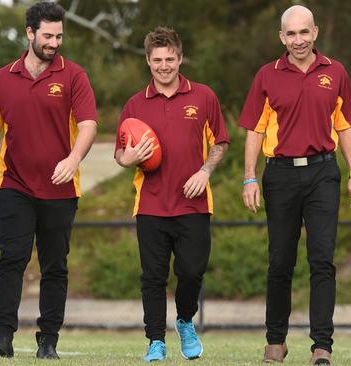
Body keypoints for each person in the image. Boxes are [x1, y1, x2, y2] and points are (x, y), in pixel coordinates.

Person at [238, 5, 351, 365]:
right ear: (281, 37)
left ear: (315, 33)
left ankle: (321, 346)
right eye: (290, 34)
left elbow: (345, 127)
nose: (298, 40)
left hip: (324, 173)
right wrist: (249, 177)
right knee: (280, 262)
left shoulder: (335, 72)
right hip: (279, 176)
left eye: (304, 32)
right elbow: (254, 131)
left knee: (322, 260)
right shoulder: (267, 76)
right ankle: (275, 342)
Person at [0, 1, 97, 360]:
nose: (54, 42)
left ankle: (48, 340)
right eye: (48, 35)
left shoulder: (74, 75)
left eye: (59, 36)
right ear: (30, 33)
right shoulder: (2, 79)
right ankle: (2, 337)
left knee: (54, 266)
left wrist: (73, 158)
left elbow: (89, 124)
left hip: (61, 190)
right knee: (11, 260)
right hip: (14, 185)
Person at [114, 26, 229, 362]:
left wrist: (205, 171)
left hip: (193, 203)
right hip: (150, 203)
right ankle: (155, 341)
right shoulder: (135, 104)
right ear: (148, 62)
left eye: (170, 59)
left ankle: (184, 320)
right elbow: (120, 154)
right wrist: (129, 159)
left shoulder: (204, 97)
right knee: (152, 276)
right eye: (157, 60)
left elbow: (220, 142)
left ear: (180, 58)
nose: (164, 65)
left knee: (192, 271)